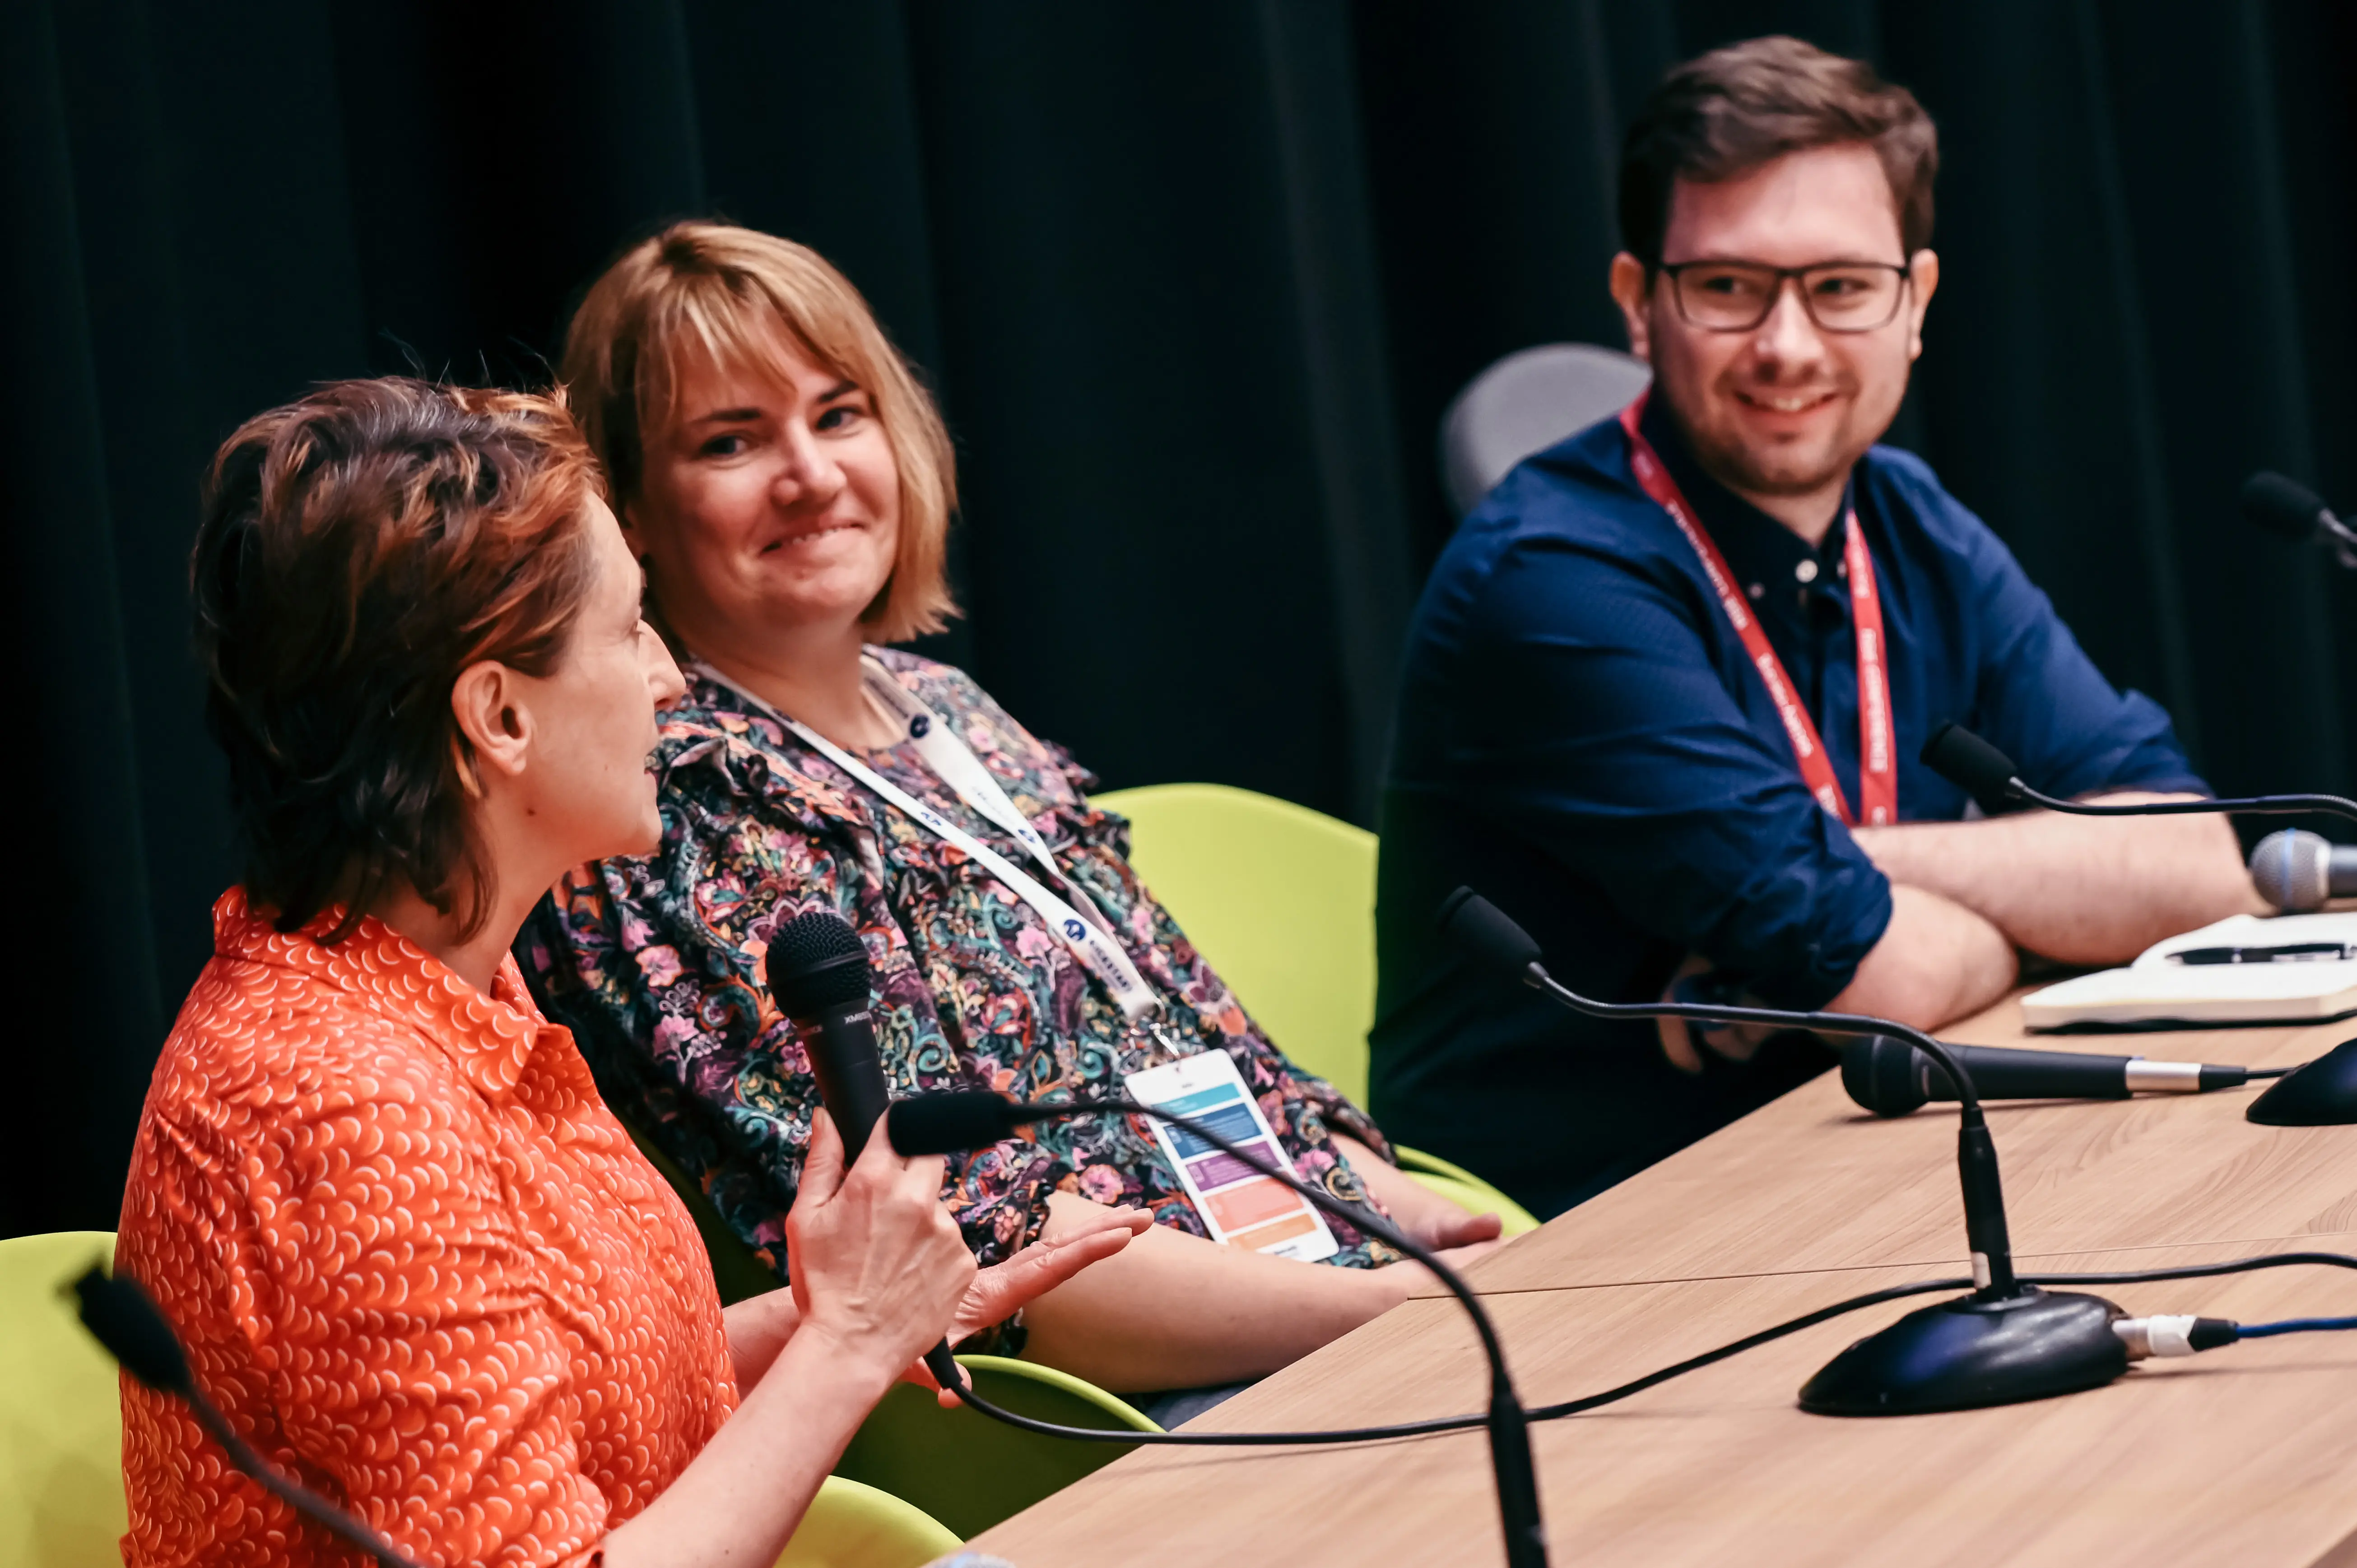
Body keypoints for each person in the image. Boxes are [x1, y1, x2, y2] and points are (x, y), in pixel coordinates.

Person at [117, 377, 1144, 1567]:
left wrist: (847, 1316)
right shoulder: (340, 1105)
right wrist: (846, 1345)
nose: (668, 677)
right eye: (626, 627)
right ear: (499, 718)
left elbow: (561, 1392)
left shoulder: (443, 990)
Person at [519, 221, 1499, 1403]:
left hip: (1305, 1290)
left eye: (838, 415)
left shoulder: (946, 706)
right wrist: (1397, 1313)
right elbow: (977, 1249)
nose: (813, 476)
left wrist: (1434, 1242)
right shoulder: (672, 807)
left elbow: (1206, 1047)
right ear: (628, 505)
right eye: (731, 442)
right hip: (1092, 1406)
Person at [1372, 37, 2260, 1220]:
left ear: (1914, 304)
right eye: (1729, 287)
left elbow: (2195, 865)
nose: (1787, 346)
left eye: (1839, 287)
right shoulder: (1548, 579)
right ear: (1641, 306)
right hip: (1594, 1234)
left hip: (1857, 1162)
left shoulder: (1908, 516)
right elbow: (1884, 980)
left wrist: (1849, 867)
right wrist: (2021, 915)